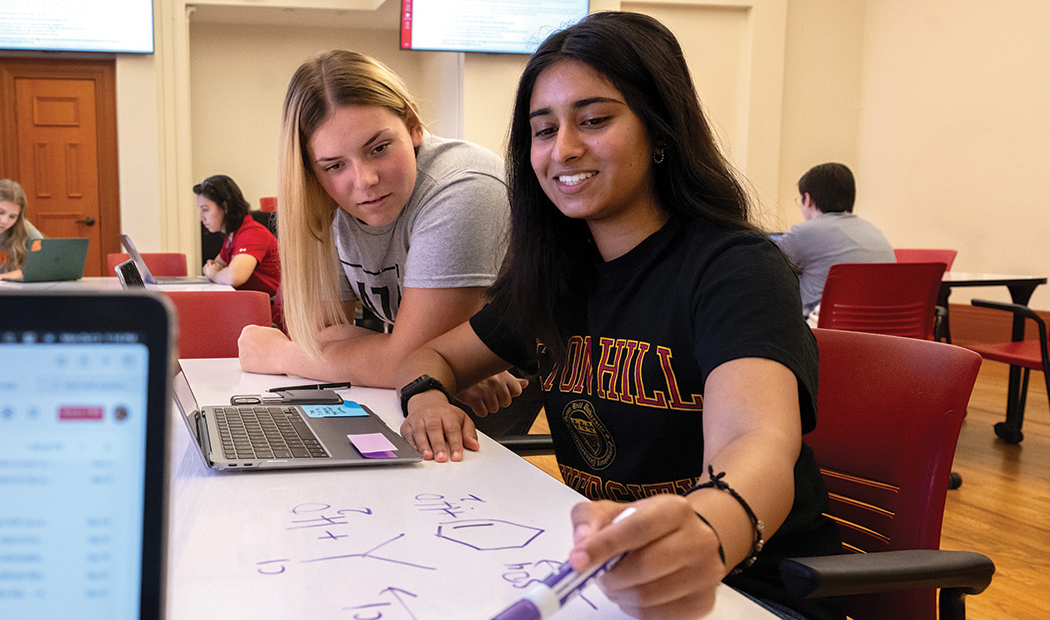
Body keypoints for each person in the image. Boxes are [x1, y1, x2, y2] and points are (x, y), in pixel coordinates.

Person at [395, 13, 841, 620]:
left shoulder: (735, 268)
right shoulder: (555, 278)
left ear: (660, 130)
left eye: (595, 119)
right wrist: (426, 397)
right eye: (543, 129)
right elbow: (435, 355)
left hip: (745, 591)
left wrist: (707, 531)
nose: (564, 149)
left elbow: (754, 438)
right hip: (604, 582)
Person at [236, 49, 526, 416]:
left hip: (528, 391)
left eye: (379, 148)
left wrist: (278, 353)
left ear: (413, 125)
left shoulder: (464, 187)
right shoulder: (327, 203)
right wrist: (419, 361)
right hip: (440, 396)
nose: (365, 181)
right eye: (334, 165)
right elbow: (325, 334)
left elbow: (409, 363)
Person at [776, 163, 895, 318]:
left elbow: (760, 264)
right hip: (882, 331)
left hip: (825, 333)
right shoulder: (876, 233)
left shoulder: (805, 232)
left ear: (808, 199)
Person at [196, 174, 283, 320]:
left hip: (269, 312)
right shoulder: (233, 235)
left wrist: (214, 274)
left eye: (205, 209)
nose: (201, 217)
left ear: (225, 207)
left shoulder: (252, 233)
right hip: (250, 307)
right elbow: (214, 265)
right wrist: (216, 271)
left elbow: (234, 277)